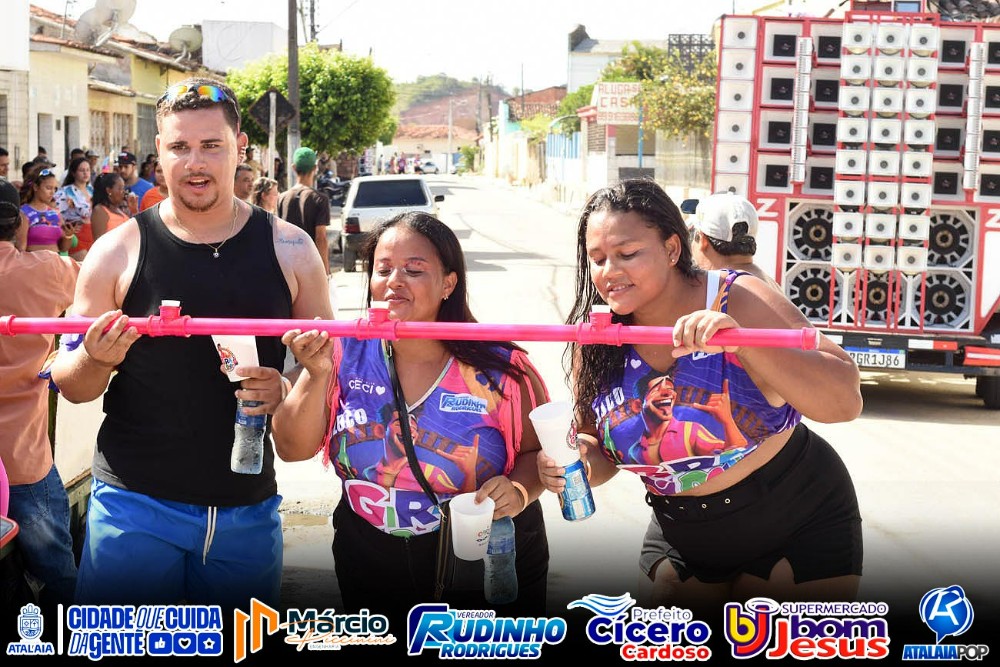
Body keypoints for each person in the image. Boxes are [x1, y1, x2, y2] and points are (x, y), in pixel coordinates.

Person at [48, 77, 331, 609]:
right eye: (179, 146)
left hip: (247, 510)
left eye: (211, 145)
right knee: (121, 645)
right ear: (159, 151)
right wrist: (93, 357)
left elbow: (322, 364)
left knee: (238, 644)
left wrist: (287, 384)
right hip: (132, 506)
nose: (195, 163)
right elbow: (70, 383)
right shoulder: (116, 251)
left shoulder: (291, 250)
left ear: (240, 147)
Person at [538, 179, 863, 612]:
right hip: (682, 531)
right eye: (597, 259)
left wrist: (743, 343)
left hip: (794, 516)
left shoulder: (737, 297)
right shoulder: (597, 341)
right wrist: (573, 464)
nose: (609, 271)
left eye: (627, 254)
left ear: (673, 249)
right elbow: (597, 448)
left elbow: (845, 401)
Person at [272, 211, 551, 628]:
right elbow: (291, 449)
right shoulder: (343, 351)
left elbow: (539, 454)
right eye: (383, 269)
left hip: (481, 558)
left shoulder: (500, 369)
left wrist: (519, 490)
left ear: (448, 284)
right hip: (368, 556)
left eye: (414, 270)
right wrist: (317, 374)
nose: (395, 281)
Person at [638, 190, 790, 602]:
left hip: (741, 483)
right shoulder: (769, 288)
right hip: (738, 478)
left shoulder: (733, 296)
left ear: (700, 240)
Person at [0, 179, 81, 610]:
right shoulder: (46, 271)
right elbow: (101, 285)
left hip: (21, 459)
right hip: (22, 460)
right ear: (20, 224)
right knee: (59, 578)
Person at [276, 147, 331, 276]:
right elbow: (321, 238)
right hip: (310, 266)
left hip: (287, 266)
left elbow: (279, 235)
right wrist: (325, 271)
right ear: (315, 168)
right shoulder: (320, 199)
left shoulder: (281, 198)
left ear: (294, 168)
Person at [19, 166, 75, 255]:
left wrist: (68, 235)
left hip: (55, 260)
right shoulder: (24, 212)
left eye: (55, 189)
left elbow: (63, 248)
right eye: (48, 188)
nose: (52, 192)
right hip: (34, 261)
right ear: (36, 187)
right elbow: (20, 248)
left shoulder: (56, 213)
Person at [55, 157, 94, 261]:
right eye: (81, 170)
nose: (85, 173)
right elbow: (55, 212)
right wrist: (65, 226)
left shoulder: (92, 190)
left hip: (92, 233)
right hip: (76, 234)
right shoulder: (65, 191)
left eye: (88, 170)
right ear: (73, 173)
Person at [91, 173, 136, 240]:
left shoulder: (120, 210)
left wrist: (134, 210)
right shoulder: (99, 211)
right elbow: (99, 242)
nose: (124, 192)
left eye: (124, 188)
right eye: (120, 188)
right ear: (109, 191)